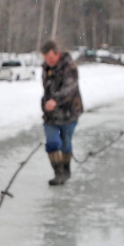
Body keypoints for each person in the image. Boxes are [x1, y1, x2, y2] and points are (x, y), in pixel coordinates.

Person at [40, 40, 84, 186]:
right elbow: (46, 89)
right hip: (51, 114)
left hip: (69, 112)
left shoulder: (69, 66)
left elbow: (69, 89)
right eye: (46, 59)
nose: (49, 61)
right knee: (52, 143)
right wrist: (46, 104)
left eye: (51, 58)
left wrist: (55, 100)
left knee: (65, 143)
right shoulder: (46, 68)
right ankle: (58, 173)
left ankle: (66, 170)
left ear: (57, 54)